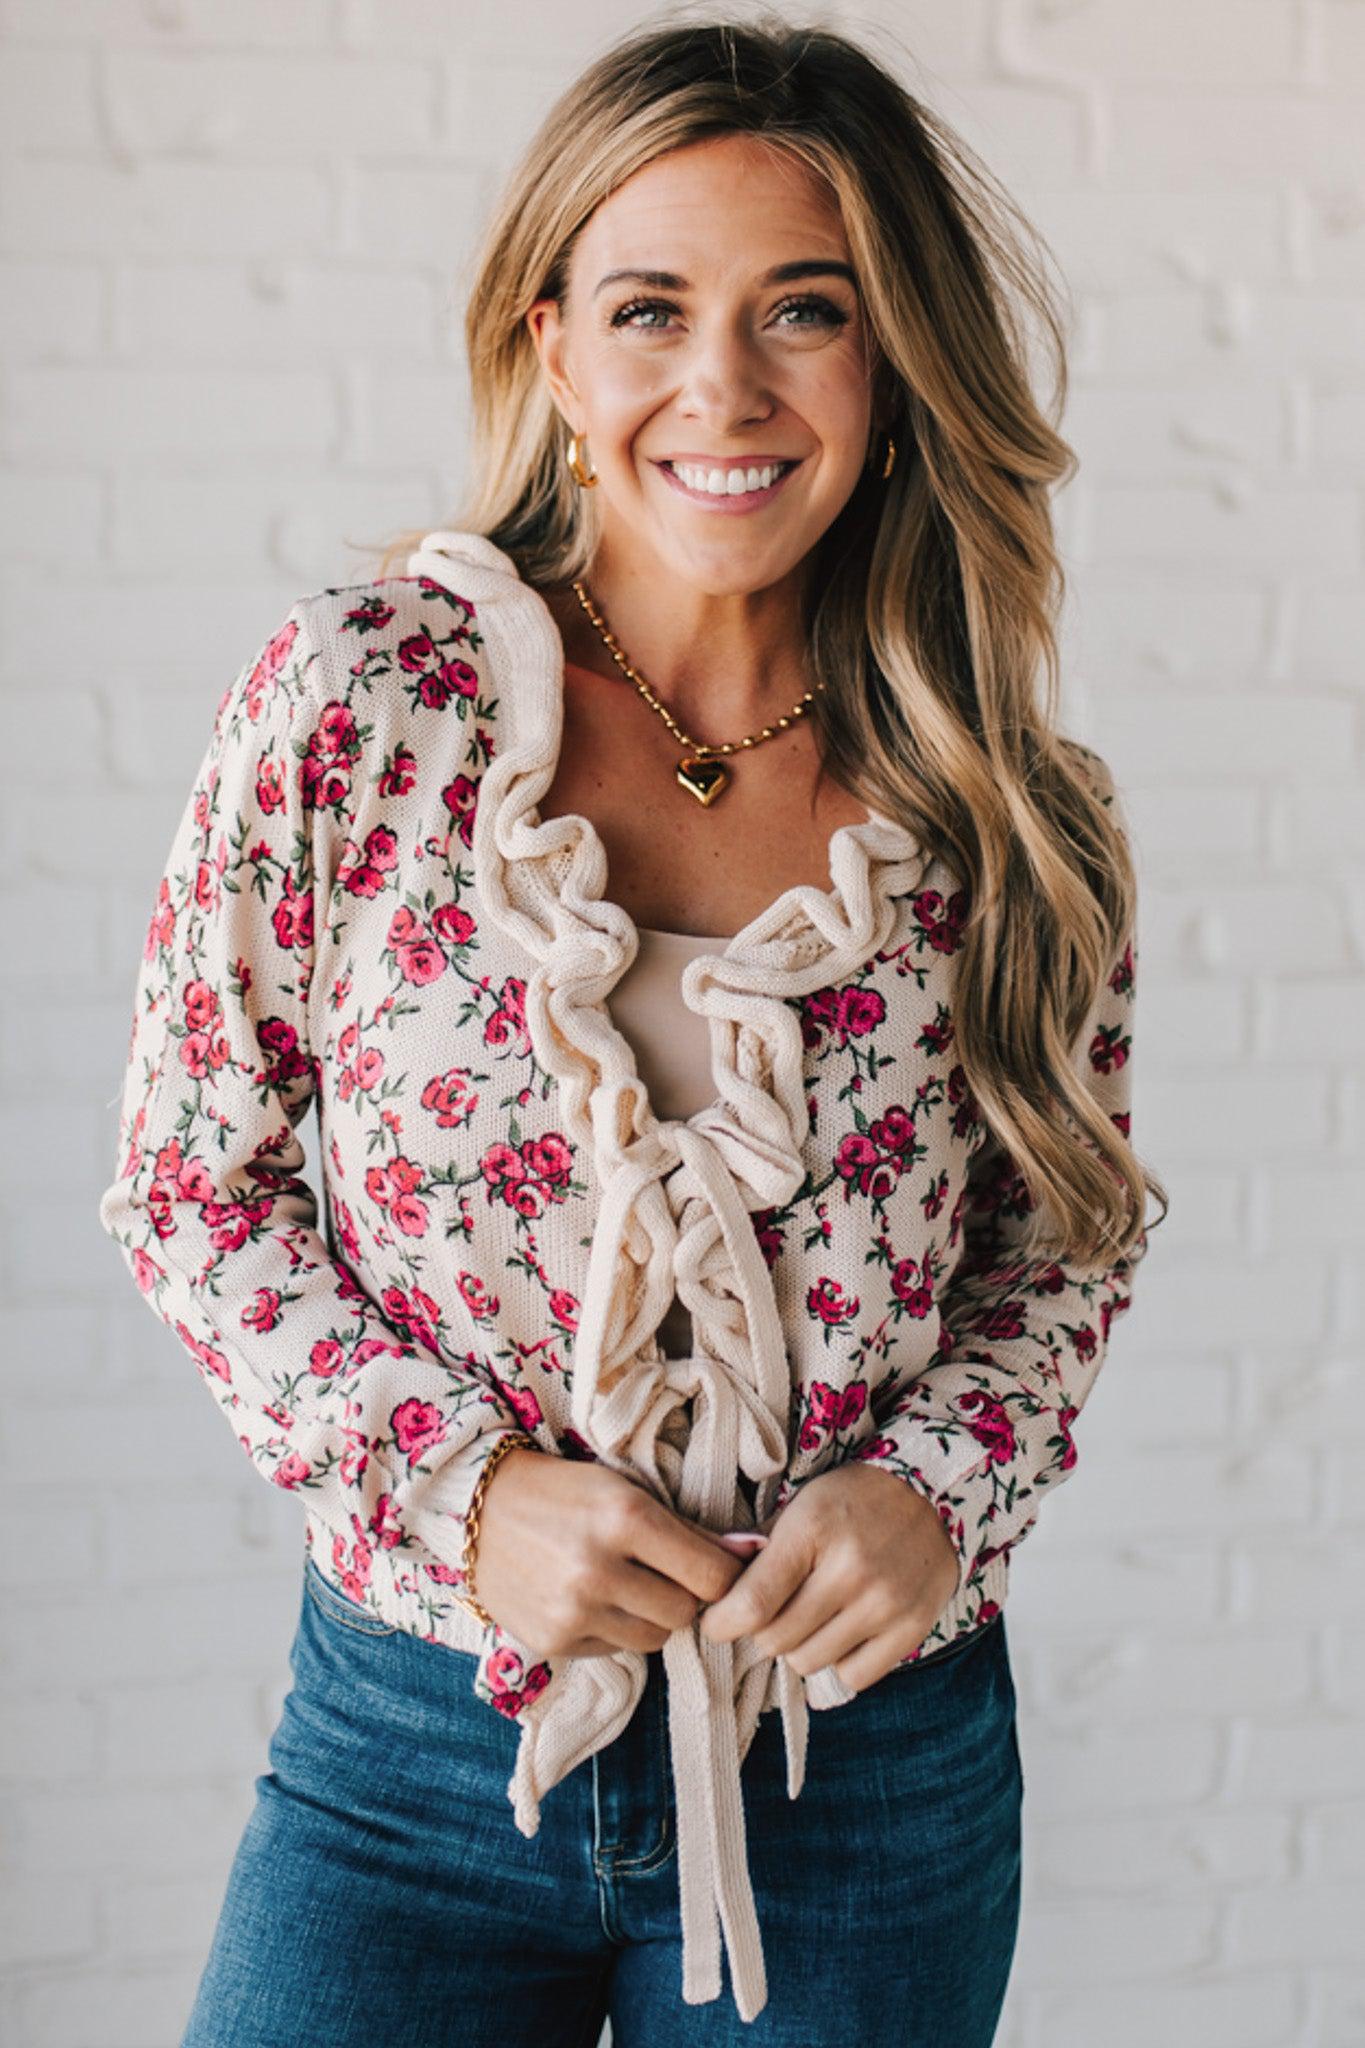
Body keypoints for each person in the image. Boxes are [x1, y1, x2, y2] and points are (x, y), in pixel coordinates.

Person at [96, 15, 1165, 2045]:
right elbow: (189, 1184)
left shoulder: (1010, 806)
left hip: (861, 1778)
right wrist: (462, 1489)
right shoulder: (360, 703)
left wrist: (930, 1489)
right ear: (554, 345)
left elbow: (1063, 1252)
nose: (722, 388)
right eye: (652, 307)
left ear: (891, 359)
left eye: (803, 313)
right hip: (412, 1750)